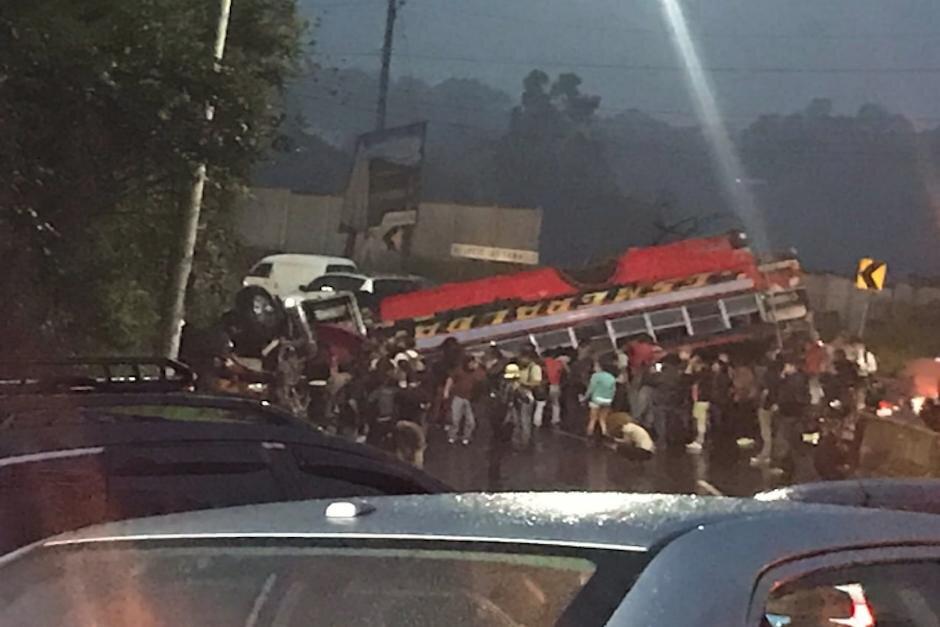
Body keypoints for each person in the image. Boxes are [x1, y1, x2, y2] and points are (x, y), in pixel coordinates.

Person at [768, 359, 810, 479]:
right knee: (791, 439)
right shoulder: (799, 379)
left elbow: (786, 395)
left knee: (783, 439)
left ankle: (784, 467)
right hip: (795, 412)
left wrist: (779, 405)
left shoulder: (792, 380)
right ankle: (791, 466)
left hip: (789, 411)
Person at [489, 363, 525, 488]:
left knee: (496, 444)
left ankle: (494, 471)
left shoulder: (499, 383)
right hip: (507, 416)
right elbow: (524, 398)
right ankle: (499, 473)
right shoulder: (514, 386)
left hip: (496, 414)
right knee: (504, 446)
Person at [445, 354, 483, 445]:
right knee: (455, 418)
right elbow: (450, 379)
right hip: (458, 397)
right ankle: (452, 435)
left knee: (470, 421)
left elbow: (482, 385)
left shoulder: (479, 373)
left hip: (471, 399)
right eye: (472, 363)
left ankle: (466, 436)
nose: (474, 365)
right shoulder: (459, 370)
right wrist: (446, 391)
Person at [584, 357, 617, 439]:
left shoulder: (595, 376)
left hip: (597, 399)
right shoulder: (611, 377)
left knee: (593, 419)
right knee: (602, 419)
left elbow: (591, 388)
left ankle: (589, 433)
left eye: (595, 366)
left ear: (599, 366)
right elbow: (613, 390)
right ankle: (604, 432)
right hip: (608, 400)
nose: (594, 367)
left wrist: (585, 397)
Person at [516, 347, 543, 446]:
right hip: (517, 395)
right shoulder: (519, 367)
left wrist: (522, 384)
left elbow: (536, 383)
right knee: (518, 420)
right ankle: (521, 439)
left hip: (527, 395)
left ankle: (525, 441)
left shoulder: (534, 368)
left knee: (525, 419)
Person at [540, 349, 566, 428]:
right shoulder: (558, 363)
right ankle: (555, 419)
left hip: (545, 385)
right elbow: (562, 373)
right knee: (556, 403)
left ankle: (540, 420)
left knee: (541, 403)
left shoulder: (543, 364)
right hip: (556, 385)